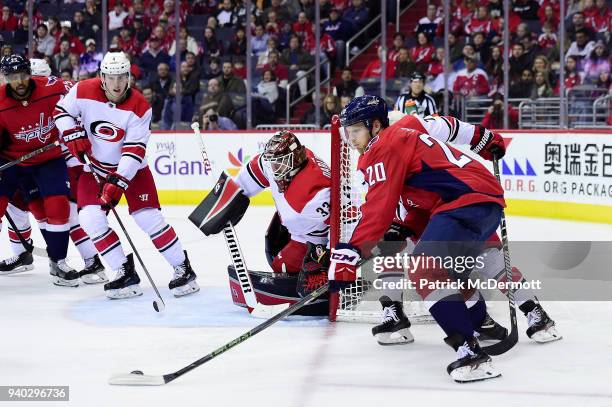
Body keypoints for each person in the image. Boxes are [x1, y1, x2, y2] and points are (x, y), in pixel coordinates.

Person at [329, 95, 507, 382]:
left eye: (356, 131)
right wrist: (407, 228)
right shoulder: (407, 131)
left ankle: (472, 356)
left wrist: (349, 253)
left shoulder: (383, 146)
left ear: (375, 126)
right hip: (481, 202)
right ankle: (480, 327)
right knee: (449, 276)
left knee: (424, 270)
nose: (351, 139)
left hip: (465, 202)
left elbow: (378, 207)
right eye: (347, 133)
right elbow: (425, 196)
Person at [54, 51, 200, 299]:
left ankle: (183, 268)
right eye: (111, 77)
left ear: (129, 77)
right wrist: (72, 134)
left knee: (147, 218)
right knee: (90, 218)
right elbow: (61, 112)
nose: (116, 83)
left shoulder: (140, 107)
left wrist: (117, 182)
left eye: (122, 77)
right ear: (102, 77)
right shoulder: (82, 90)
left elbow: (133, 151)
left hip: (133, 172)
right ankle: (123, 271)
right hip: (95, 168)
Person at [194, 131, 332, 313]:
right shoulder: (282, 163)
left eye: (279, 164)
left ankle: (324, 271)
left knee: (279, 266)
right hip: (293, 225)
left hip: (314, 239)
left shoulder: (316, 192)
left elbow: (344, 220)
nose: (274, 169)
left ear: (295, 159)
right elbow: (252, 175)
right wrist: (226, 201)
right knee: (272, 243)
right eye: (272, 163)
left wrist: (327, 256)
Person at [0, 58, 107, 284]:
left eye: (22, 75)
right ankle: (22, 255)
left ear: (30, 74)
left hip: (48, 160)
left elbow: (85, 89)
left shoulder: (53, 87)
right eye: (11, 77)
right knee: (24, 211)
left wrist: (111, 87)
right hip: (11, 163)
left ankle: (58, 261)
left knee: (59, 207)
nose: (18, 82)